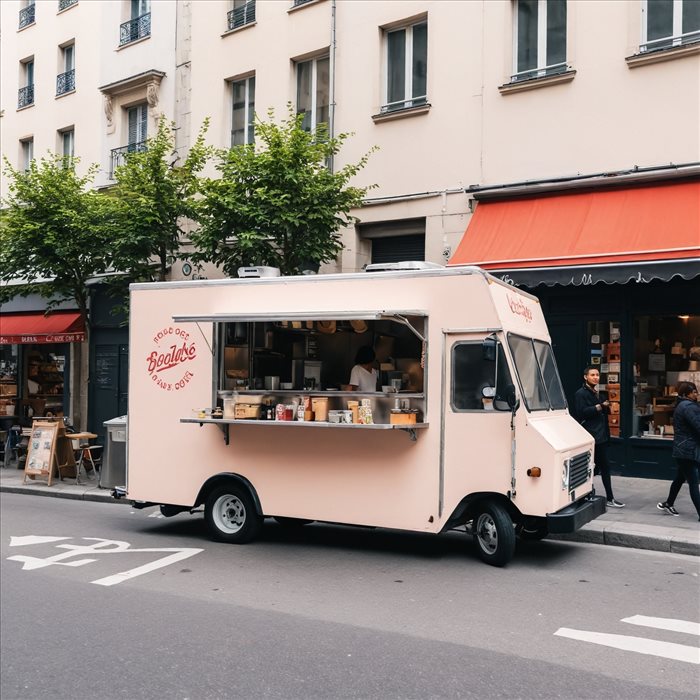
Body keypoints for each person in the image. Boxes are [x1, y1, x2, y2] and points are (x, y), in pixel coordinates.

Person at [574, 365, 625, 508]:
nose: (596, 377)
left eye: (597, 375)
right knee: (595, 467)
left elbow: (602, 412)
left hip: (601, 435)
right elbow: (581, 412)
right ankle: (598, 497)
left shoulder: (598, 393)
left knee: (599, 467)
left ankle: (599, 496)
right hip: (591, 435)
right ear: (585, 377)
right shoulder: (581, 394)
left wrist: (606, 407)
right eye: (592, 375)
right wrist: (599, 407)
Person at [657, 382, 700, 521]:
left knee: (680, 478)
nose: (696, 394)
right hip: (688, 450)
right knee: (694, 483)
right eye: (694, 392)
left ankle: (668, 503)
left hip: (683, 449)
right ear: (686, 393)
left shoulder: (684, 405)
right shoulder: (688, 407)